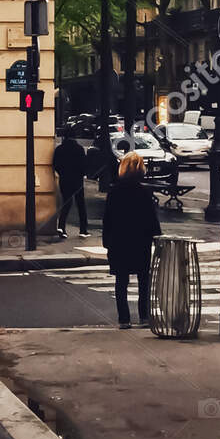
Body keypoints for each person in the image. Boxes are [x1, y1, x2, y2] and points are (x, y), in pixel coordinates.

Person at [101, 151, 161, 328]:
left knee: (121, 281)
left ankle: (124, 319)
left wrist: (107, 241)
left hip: (119, 241)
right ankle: (144, 316)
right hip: (140, 241)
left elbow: (108, 219)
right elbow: (151, 219)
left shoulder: (114, 192)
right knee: (144, 280)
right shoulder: (145, 192)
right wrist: (156, 236)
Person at [52, 131, 89, 239]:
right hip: (77, 180)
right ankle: (83, 230)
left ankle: (62, 227)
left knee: (66, 203)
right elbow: (84, 165)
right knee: (81, 204)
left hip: (64, 179)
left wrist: (62, 173)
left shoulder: (59, 149)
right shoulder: (79, 149)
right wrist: (82, 174)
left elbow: (55, 164)